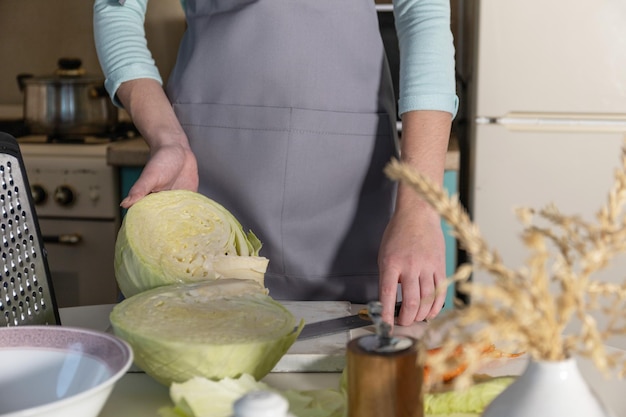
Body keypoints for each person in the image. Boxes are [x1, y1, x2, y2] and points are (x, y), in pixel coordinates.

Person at [93, 0, 458, 327]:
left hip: (350, 185)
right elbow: (117, 9)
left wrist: (419, 207)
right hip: (205, 170)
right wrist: (166, 139)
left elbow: (423, 13)